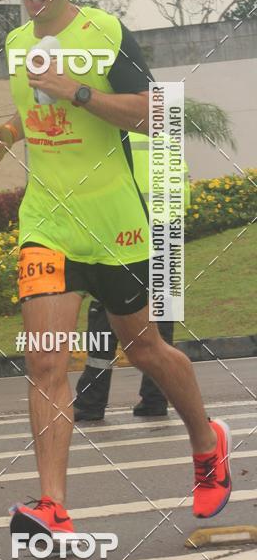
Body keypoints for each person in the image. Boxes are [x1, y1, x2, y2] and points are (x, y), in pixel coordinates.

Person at [0, 0, 231, 543]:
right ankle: (53, 507)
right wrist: (7, 134)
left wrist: (81, 91)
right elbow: (37, 107)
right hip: (47, 222)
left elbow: (153, 108)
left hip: (115, 223)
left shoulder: (107, 32)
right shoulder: (15, 42)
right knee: (44, 359)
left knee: (145, 349)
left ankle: (206, 439)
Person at [75, 133, 191, 420]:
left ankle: (90, 402)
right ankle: (155, 399)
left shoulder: (111, 131)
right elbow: (183, 186)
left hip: (126, 233)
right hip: (167, 232)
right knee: (162, 318)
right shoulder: (163, 136)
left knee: (106, 315)